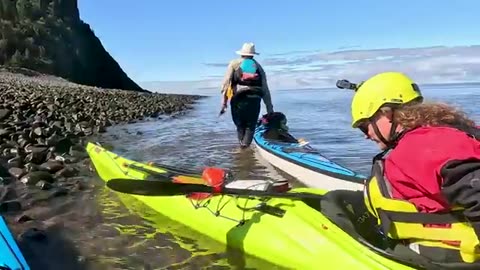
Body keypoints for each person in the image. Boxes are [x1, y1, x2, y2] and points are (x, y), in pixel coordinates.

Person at [345, 71, 480, 264]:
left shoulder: (422, 146)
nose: (366, 135)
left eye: (364, 126)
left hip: (450, 259)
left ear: (386, 113)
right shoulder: (449, 133)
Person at [220, 42, 274, 148]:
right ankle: (245, 148)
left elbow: (226, 84)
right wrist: (269, 109)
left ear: (241, 53)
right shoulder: (258, 67)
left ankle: (242, 149)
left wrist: (224, 103)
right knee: (250, 126)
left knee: (240, 125)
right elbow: (265, 89)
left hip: (238, 99)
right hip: (255, 99)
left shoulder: (234, 63)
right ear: (253, 54)